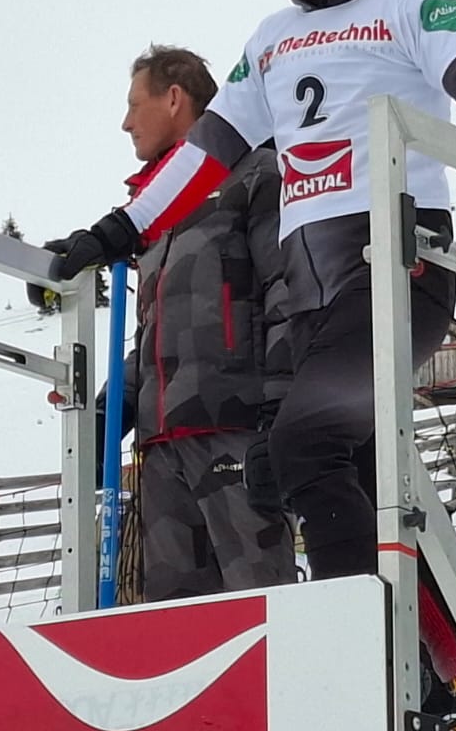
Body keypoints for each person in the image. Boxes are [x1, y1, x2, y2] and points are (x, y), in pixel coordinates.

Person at [44, 0, 456, 718]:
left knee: (302, 451)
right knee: (316, 470)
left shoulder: (409, 0)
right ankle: (452, 687)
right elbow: (208, 154)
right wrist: (113, 234)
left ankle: (373, 686)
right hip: (316, 294)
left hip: (394, 267)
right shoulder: (271, 37)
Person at [81, 45, 296, 602]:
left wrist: (278, 409)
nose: (125, 122)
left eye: (135, 104)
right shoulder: (150, 215)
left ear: (174, 98)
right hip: (162, 448)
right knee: (175, 628)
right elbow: (153, 333)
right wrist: (110, 411)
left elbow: (284, 292)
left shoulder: (253, 176)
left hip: (234, 427)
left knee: (260, 605)